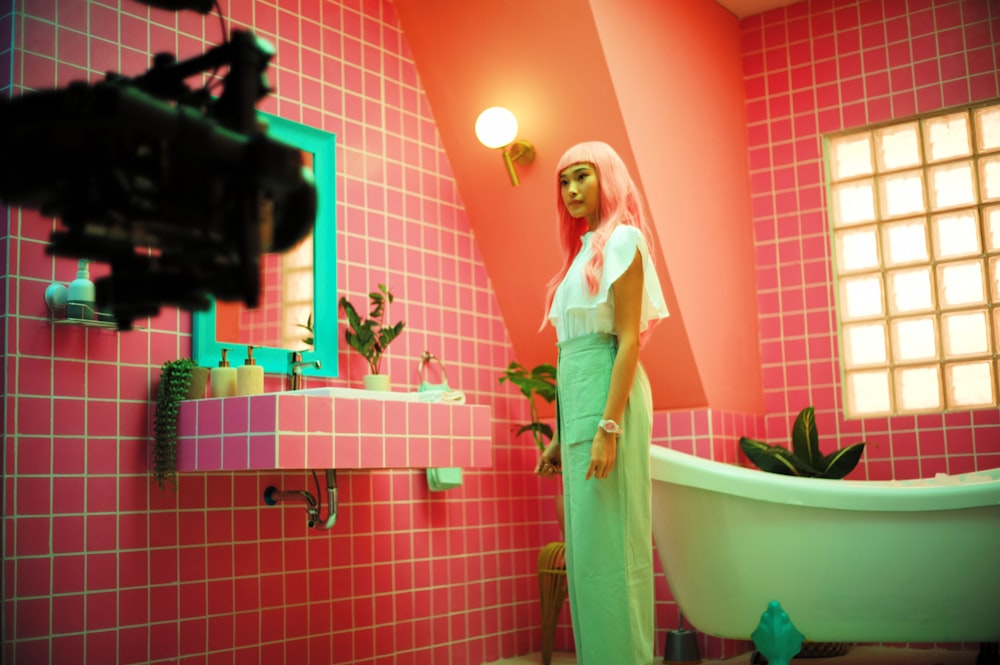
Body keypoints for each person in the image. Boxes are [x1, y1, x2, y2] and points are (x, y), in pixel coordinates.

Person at [535, 141, 668, 665]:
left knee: (614, 550)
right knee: (588, 554)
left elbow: (628, 340)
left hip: (609, 406)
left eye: (582, 177)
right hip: (582, 406)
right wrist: (557, 434)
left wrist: (608, 427)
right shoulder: (580, 258)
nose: (570, 190)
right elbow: (571, 357)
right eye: (564, 182)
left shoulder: (624, 241)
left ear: (606, 178)